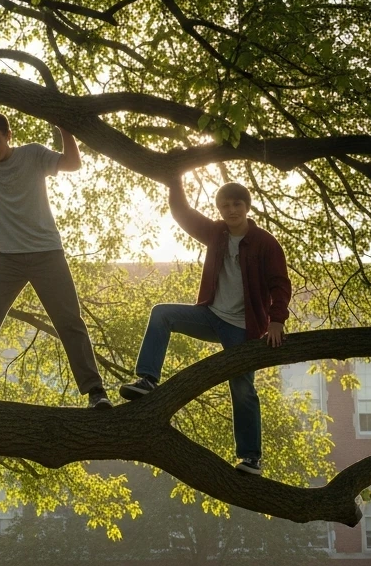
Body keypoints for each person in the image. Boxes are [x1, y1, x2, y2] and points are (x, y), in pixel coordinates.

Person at [0, 96, 111, 409]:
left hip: (46, 254)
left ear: (8, 136)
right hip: (6, 260)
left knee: (69, 321)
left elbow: (73, 164)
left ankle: (96, 392)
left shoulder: (33, 154)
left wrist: (63, 126)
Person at [119, 176, 292, 475]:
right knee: (162, 314)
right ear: (219, 209)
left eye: (237, 204)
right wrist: (174, 177)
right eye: (225, 205)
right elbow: (183, 215)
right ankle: (147, 380)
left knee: (242, 388)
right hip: (210, 315)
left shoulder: (265, 242)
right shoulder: (216, 233)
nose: (231, 210)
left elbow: (280, 284)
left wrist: (276, 321)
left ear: (247, 207)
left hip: (243, 328)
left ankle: (251, 458)